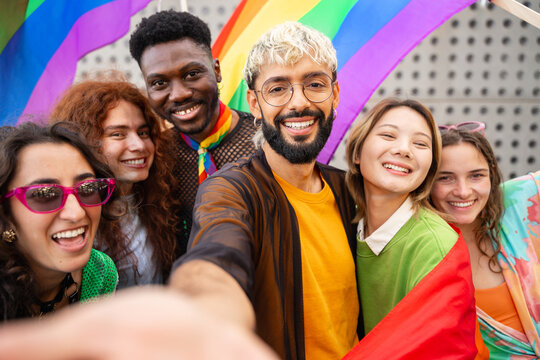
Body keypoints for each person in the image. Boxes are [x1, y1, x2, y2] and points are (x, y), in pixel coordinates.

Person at [168, 22, 360, 360]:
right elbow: (217, 253)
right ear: (255, 104)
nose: (298, 103)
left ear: (335, 95)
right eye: (277, 89)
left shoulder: (349, 191)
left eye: (315, 84)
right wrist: (208, 309)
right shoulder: (230, 190)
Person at [343, 99, 477, 359]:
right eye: (388, 135)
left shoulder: (436, 245)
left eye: (420, 143)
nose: (404, 150)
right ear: (357, 153)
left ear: (429, 168)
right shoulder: (344, 226)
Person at [129, 10, 257, 254]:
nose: (179, 94)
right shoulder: (155, 158)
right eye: (159, 83)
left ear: (216, 71)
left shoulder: (266, 142)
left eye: (191, 74)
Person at [51, 77, 179, 288]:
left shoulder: (156, 201)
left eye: (143, 132)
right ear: (85, 141)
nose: (139, 145)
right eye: (118, 134)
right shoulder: (74, 218)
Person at [430, 123, 540, 358]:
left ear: (491, 174)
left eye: (476, 176)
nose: (463, 191)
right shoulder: (423, 248)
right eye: (446, 178)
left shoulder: (521, 199)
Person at [0, 122, 118, 320]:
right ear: (5, 214)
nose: (76, 213)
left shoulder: (99, 272)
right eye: (44, 194)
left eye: (88, 188)